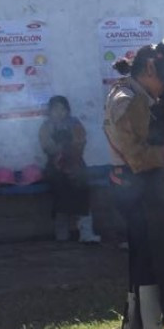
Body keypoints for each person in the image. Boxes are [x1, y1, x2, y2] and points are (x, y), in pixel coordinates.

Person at [103, 40, 164, 329]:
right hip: (137, 187)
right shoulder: (127, 100)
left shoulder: (138, 95)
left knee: (144, 255)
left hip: (140, 188)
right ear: (151, 70)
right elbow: (137, 157)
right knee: (148, 257)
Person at [39, 95, 99, 243]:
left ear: (68, 110)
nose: (60, 113)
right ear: (50, 111)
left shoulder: (75, 124)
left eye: (63, 109)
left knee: (83, 189)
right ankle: (62, 236)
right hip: (55, 166)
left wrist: (70, 150)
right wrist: (60, 150)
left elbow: (80, 142)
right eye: (56, 109)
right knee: (60, 193)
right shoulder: (46, 127)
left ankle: (86, 233)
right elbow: (47, 146)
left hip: (75, 163)